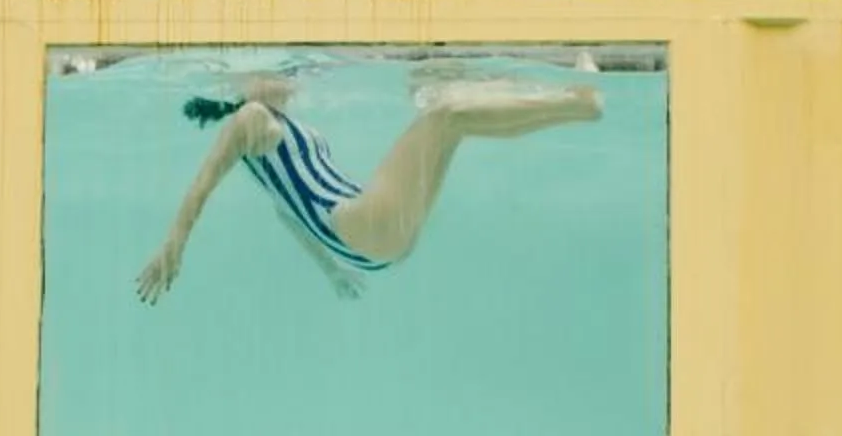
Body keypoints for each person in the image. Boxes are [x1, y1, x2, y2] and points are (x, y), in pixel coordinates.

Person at [136, 69, 601, 302]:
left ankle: (573, 106)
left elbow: (288, 216)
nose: (291, 84)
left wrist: (333, 272)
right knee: (444, 114)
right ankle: (573, 102)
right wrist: (173, 244)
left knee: (455, 121)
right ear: (250, 85)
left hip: (369, 238)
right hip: (362, 226)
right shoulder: (250, 118)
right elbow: (202, 184)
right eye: (280, 76)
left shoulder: (271, 133)